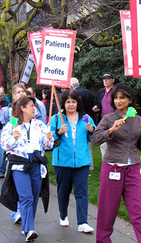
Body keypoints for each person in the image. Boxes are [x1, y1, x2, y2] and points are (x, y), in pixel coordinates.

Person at [91, 83, 141, 243]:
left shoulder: (137, 120)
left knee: (138, 212)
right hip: (112, 169)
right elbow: (95, 139)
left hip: (133, 170)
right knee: (107, 211)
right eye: (116, 98)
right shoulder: (108, 118)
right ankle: (103, 240)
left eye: (122, 97)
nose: (119, 100)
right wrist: (111, 130)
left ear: (130, 100)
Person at [1, 95, 53, 242]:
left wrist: (49, 138)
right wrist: (14, 138)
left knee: (34, 197)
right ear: (23, 108)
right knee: (26, 197)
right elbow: (4, 144)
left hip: (36, 164)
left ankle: (28, 227)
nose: (34, 108)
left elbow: (47, 145)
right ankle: (29, 229)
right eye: (31, 105)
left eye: (34, 105)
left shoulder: (39, 125)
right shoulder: (12, 125)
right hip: (19, 165)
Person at [50, 90, 95, 233]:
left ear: (78, 103)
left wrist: (91, 131)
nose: (71, 104)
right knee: (63, 191)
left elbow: (93, 140)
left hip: (82, 162)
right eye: (68, 102)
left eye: (73, 102)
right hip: (62, 162)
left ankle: (83, 222)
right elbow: (48, 140)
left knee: (82, 192)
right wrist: (58, 132)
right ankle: (63, 216)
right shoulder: (56, 119)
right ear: (63, 103)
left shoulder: (86, 118)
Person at [0, 83, 27, 223]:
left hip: (28, 154)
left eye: (23, 91)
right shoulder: (11, 111)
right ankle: (15, 212)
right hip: (15, 154)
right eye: (18, 92)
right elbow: (9, 127)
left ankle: (25, 211)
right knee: (14, 184)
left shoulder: (32, 107)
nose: (21, 93)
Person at [70, 77, 95, 170]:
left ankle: (82, 162)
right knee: (88, 141)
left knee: (82, 140)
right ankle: (90, 164)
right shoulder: (87, 92)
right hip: (88, 117)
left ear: (71, 86)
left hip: (80, 118)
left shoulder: (74, 94)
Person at [92, 72, 115, 159]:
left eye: (107, 79)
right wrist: (96, 108)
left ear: (113, 80)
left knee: (114, 142)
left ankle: (115, 163)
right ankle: (105, 163)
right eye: (104, 79)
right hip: (103, 121)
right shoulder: (101, 91)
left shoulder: (116, 91)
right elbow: (97, 103)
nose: (105, 81)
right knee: (103, 143)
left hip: (115, 121)